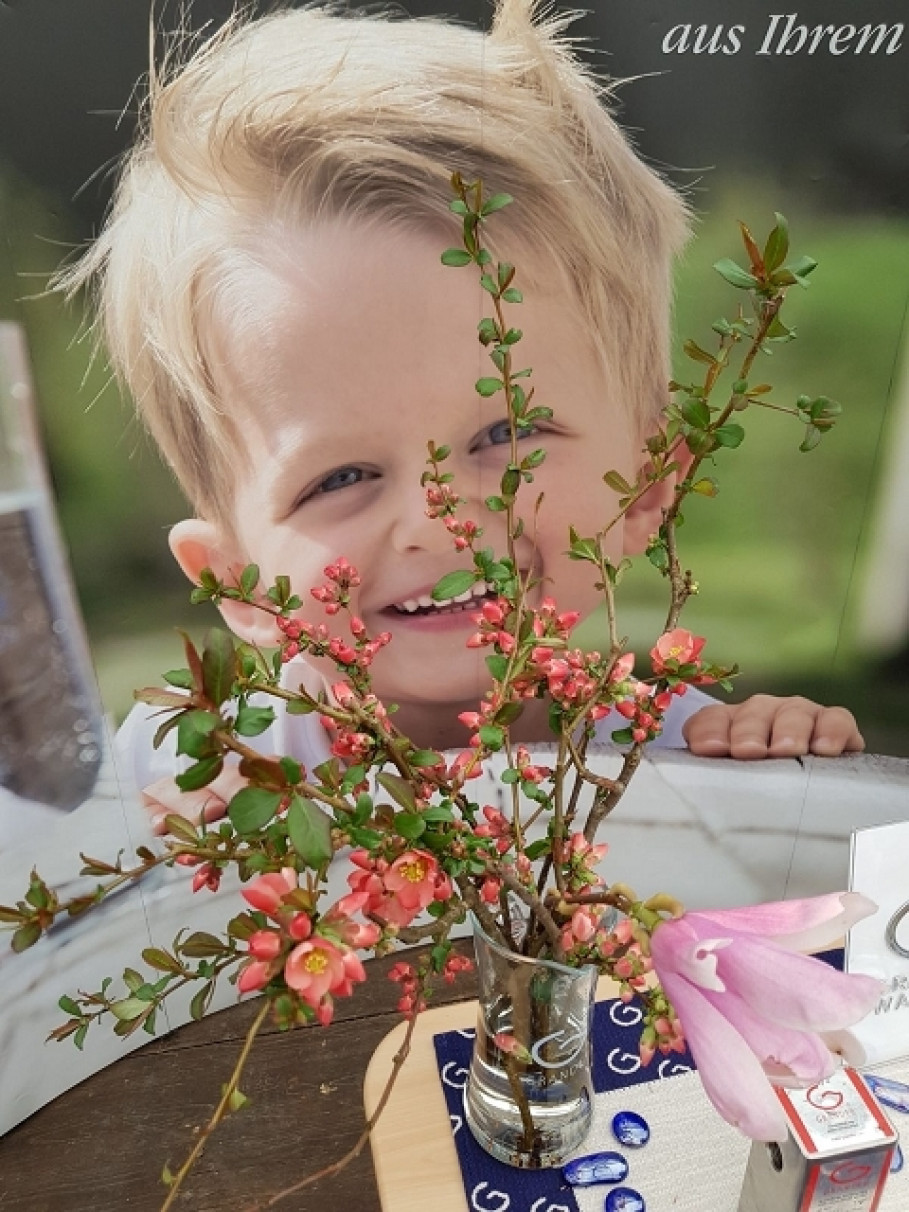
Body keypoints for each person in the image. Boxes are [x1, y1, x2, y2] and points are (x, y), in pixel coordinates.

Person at [63, 0, 863, 830]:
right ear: (233, 582)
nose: (439, 524)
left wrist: (794, 784)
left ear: (653, 480)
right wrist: (156, 874)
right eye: (342, 476)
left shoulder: (688, 760)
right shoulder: (180, 784)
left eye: (505, 433)